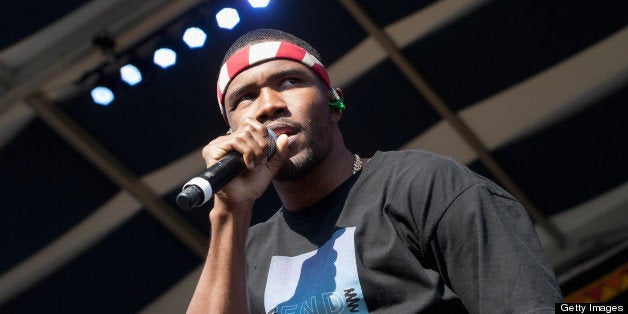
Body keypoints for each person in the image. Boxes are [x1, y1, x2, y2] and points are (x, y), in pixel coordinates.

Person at [187, 29, 563, 313]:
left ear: (335, 104)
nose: (268, 106)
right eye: (245, 98)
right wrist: (229, 210)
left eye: (289, 82)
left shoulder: (423, 185)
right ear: (232, 133)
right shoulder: (243, 253)